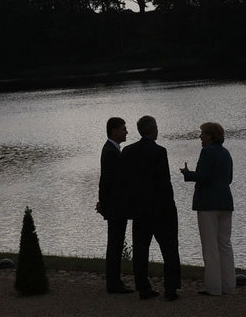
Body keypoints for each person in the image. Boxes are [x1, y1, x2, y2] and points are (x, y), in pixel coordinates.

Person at [120, 115, 181, 301]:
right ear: (153, 129)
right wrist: (171, 208)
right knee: (169, 249)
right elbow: (164, 183)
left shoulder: (128, 152)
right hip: (160, 209)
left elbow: (125, 183)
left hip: (139, 210)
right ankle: (170, 289)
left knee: (140, 250)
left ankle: (143, 287)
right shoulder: (159, 151)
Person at [180, 121, 236, 296]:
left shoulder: (207, 152)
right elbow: (229, 179)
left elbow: (202, 176)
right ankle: (229, 285)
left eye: (203, 133)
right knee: (225, 245)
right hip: (226, 203)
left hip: (208, 205)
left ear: (211, 136)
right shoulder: (226, 153)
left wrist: (188, 174)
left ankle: (213, 287)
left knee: (210, 246)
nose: (200, 137)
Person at [97, 117, 134, 294]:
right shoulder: (112, 152)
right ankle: (113, 283)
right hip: (116, 207)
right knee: (115, 244)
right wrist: (104, 205)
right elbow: (107, 181)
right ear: (113, 131)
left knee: (116, 244)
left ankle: (115, 281)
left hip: (115, 206)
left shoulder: (112, 149)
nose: (126, 132)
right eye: (123, 129)